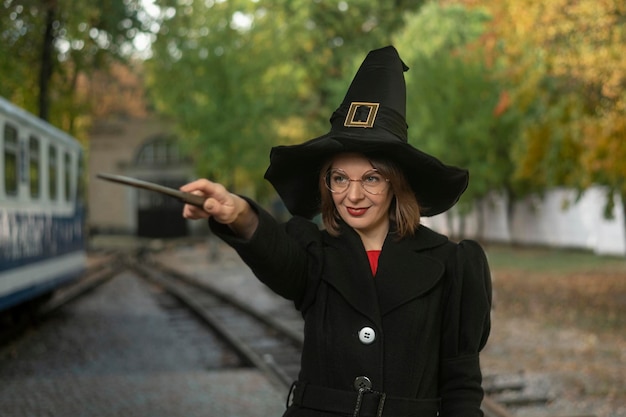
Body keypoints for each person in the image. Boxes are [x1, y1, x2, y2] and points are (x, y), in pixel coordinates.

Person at [181, 45, 492, 417]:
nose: (353, 194)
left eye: (372, 178)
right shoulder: (312, 253)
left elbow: (461, 386)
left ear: (397, 183)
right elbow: (274, 251)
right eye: (339, 178)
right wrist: (238, 213)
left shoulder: (451, 265)